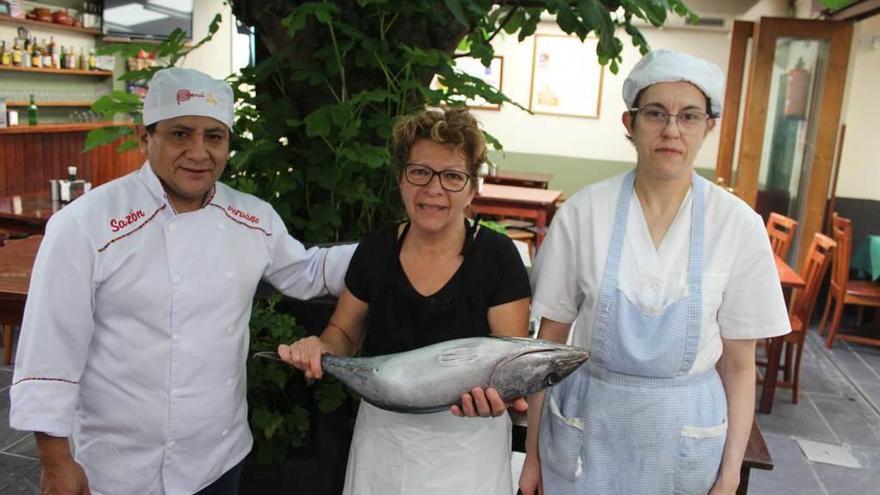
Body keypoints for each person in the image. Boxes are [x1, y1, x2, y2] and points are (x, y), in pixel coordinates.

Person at [9, 67, 356, 495]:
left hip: (220, 458)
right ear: (145, 137)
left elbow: (309, 271)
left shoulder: (252, 217)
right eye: (180, 134)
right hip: (115, 471)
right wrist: (55, 461)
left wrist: (398, 250)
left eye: (214, 136)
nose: (199, 151)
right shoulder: (85, 226)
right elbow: (49, 351)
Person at [519, 49, 791, 495]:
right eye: (655, 113)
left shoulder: (737, 225)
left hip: (684, 444)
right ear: (630, 124)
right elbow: (549, 344)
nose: (671, 130)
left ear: (709, 127)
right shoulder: (584, 213)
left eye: (688, 116)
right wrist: (531, 455)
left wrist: (729, 477)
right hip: (586, 432)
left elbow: (741, 367)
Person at [277, 107, 532, 495]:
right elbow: (343, 332)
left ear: (472, 189)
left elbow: (506, 364)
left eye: (452, 176)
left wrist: (500, 398)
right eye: (420, 172)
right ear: (401, 179)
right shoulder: (376, 250)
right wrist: (321, 347)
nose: (433, 189)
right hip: (382, 444)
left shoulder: (498, 258)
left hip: (467, 450)